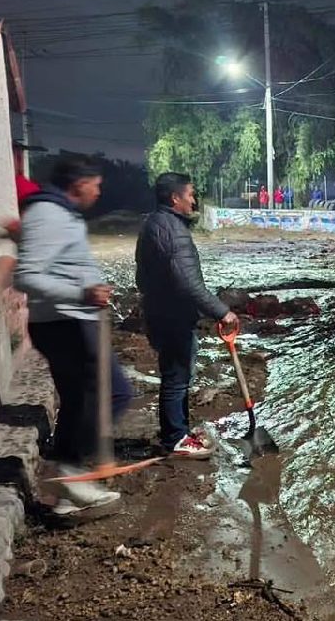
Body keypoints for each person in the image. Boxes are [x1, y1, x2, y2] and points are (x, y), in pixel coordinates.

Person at [14, 159, 135, 514]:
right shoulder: (49, 214)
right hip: (66, 322)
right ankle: (71, 472)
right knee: (114, 393)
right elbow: (26, 276)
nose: (98, 192)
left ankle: (68, 493)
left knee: (77, 401)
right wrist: (82, 295)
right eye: (95, 184)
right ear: (78, 183)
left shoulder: (57, 213)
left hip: (66, 320)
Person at [135, 172, 239, 459]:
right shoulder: (174, 231)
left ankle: (179, 431)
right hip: (173, 316)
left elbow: (141, 278)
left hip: (159, 311)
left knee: (176, 374)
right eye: (190, 194)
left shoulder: (153, 224)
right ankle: (175, 439)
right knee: (177, 377)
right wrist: (222, 312)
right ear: (175, 198)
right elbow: (188, 283)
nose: (194, 200)